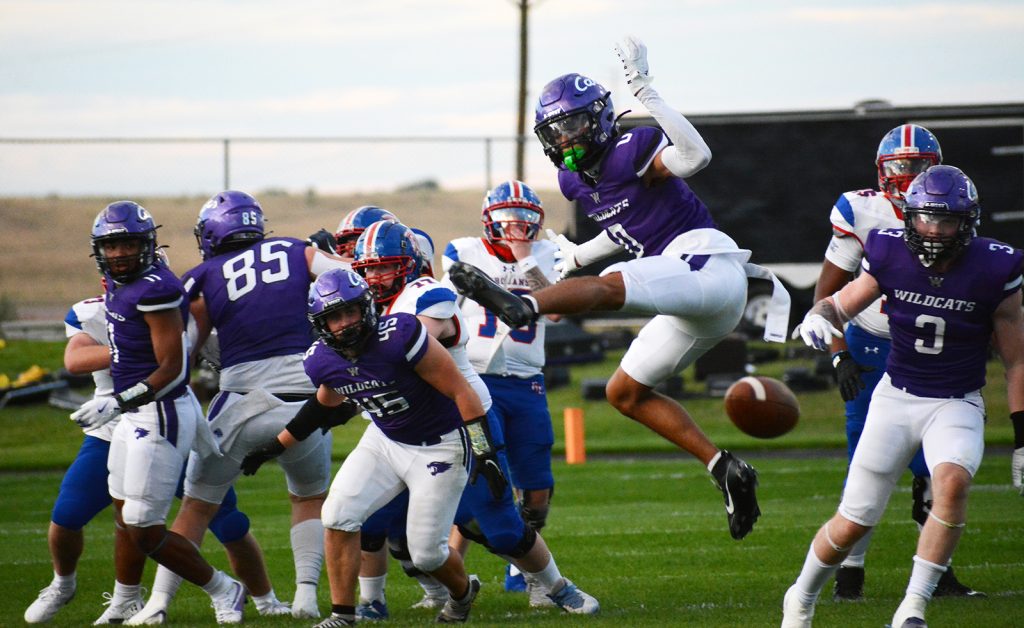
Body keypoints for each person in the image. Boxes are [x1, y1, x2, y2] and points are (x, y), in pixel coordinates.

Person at [449, 36, 789, 540]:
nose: (565, 137)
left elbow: (694, 156)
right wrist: (581, 254)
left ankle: (521, 305)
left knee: (608, 289)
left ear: (600, 118)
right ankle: (725, 469)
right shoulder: (575, 183)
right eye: (555, 129)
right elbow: (626, 227)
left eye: (573, 124)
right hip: (685, 296)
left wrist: (646, 92)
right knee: (624, 392)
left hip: (706, 264)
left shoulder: (632, 148)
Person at [782, 165, 1024, 628]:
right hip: (896, 398)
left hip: (956, 401)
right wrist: (819, 315)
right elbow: (842, 301)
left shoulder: (996, 267)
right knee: (854, 521)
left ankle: (912, 608)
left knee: (951, 485)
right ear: (909, 217)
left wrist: (1022, 434)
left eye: (946, 221)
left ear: (967, 223)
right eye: (925, 219)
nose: (933, 232)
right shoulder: (889, 250)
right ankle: (801, 597)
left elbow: (1017, 360)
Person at [354, 220, 599, 615]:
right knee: (373, 518)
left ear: (410, 264)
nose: (373, 276)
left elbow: (408, 346)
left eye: (384, 266)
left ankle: (556, 585)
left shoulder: (426, 294)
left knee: (499, 527)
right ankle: (373, 601)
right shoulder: (362, 311)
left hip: (462, 425)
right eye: (367, 268)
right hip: (403, 433)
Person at [127, 190, 350, 623]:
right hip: (306, 402)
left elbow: (184, 346)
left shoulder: (205, 274)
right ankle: (306, 597)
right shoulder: (297, 250)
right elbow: (351, 279)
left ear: (211, 232)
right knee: (308, 498)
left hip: (240, 402)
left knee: (196, 506)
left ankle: (158, 604)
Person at [241, 268, 503, 626]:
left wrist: (483, 452)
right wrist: (275, 445)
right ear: (321, 324)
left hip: (440, 445)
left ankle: (461, 594)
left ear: (366, 308)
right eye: (334, 317)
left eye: (350, 311)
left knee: (427, 555)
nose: (346, 323)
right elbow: (323, 404)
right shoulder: (321, 360)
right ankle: (343, 615)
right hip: (385, 440)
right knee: (336, 515)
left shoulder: (402, 335)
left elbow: (461, 389)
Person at [24, 286, 288, 624]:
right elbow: (74, 360)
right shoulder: (91, 312)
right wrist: (133, 347)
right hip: (111, 426)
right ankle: (71, 586)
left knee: (225, 518)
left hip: (168, 425)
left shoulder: (173, 307)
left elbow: (205, 355)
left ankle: (265, 599)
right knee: (69, 515)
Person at [812, 124, 980, 599]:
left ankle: (938, 572)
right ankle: (850, 571)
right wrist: (839, 353)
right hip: (869, 341)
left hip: (928, 348)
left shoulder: (951, 210)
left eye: (922, 166)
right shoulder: (861, 210)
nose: (911, 177)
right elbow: (827, 295)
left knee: (938, 463)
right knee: (863, 461)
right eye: (901, 167)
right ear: (883, 173)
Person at [72, 200, 247, 624]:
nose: (118, 255)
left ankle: (225, 589)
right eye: (110, 247)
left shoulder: (156, 289)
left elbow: (174, 370)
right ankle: (125, 599)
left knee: (143, 525)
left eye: (127, 245)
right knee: (121, 511)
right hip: (136, 412)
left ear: (147, 244)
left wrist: (117, 400)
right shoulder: (120, 283)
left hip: (160, 410)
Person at [442, 180, 561, 594]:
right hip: (477, 378)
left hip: (527, 383)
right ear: (489, 221)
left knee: (537, 488)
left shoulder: (549, 254)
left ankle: (526, 566)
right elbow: (444, 311)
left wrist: (527, 263)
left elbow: (559, 311)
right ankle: (455, 574)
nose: (517, 228)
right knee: (481, 478)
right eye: (508, 219)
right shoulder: (463, 251)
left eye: (526, 220)